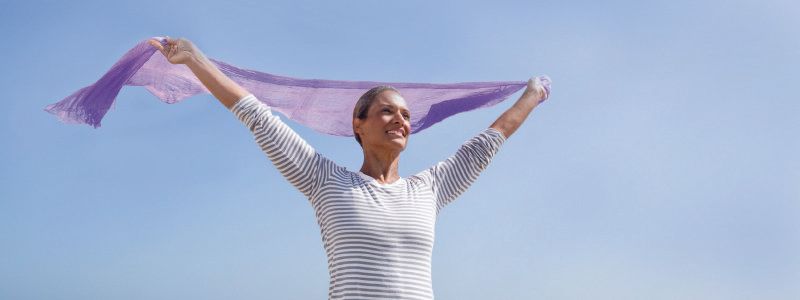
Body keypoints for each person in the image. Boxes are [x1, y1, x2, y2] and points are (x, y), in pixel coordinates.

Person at [149, 37, 549, 300]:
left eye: (406, 115)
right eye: (387, 111)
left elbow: (488, 141)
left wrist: (532, 95)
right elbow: (257, 115)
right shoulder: (324, 179)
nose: (400, 120)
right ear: (358, 124)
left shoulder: (430, 188)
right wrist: (195, 61)